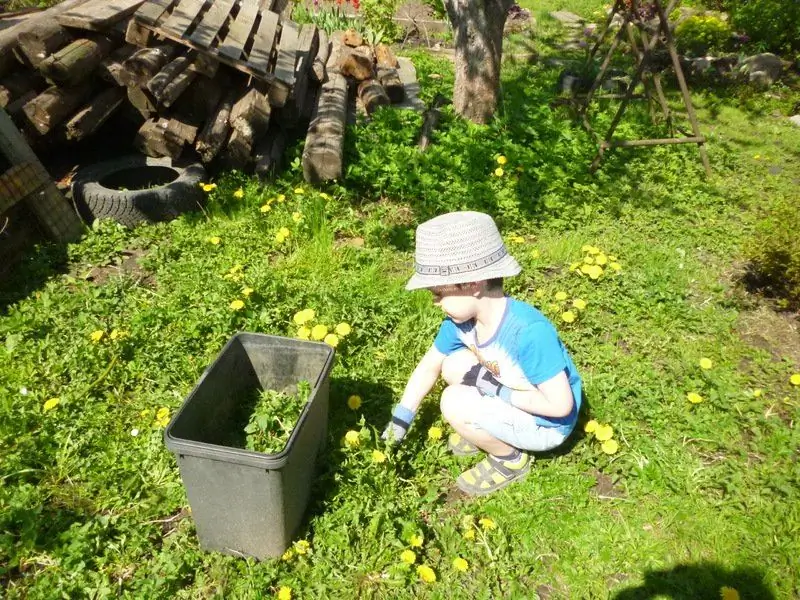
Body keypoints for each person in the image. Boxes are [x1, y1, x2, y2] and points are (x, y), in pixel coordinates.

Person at [381, 211, 582, 496]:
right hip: (514, 391)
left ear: (472, 285)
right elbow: (429, 367)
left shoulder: (529, 332)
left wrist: (500, 393)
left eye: (438, 293)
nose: (436, 303)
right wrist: (400, 420)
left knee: (452, 401)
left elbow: (561, 406)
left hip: (547, 423)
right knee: (451, 364)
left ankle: (510, 459)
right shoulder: (461, 324)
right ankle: (487, 426)